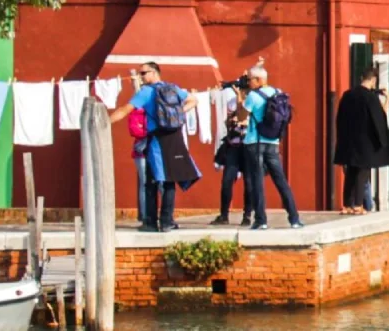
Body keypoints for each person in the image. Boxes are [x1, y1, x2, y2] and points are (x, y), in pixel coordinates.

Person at [107, 62, 203, 232]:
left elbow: (125, 110)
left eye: (143, 73)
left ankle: (151, 222)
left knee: (152, 182)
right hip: (174, 137)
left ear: (154, 73)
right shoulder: (173, 88)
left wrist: (105, 122)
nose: (141, 77)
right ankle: (167, 221)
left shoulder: (146, 92)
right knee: (169, 180)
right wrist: (178, 115)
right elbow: (193, 100)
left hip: (157, 139)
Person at [242, 67, 304, 229]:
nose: (248, 83)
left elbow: (242, 116)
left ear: (258, 80)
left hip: (255, 142)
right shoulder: (278, 92)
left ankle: (261, 220)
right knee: (281, 180)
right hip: (273, 142)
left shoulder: (252, 96)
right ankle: (294, 219)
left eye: (250, 80)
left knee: (257, 181)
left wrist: (241, 99)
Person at [333, 70, 389, 215]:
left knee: (351, 171)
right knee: (362, 171)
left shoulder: (347, 95)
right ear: (373, 81)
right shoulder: (370, 97)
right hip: (365, 142)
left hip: (348, 140)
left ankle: (347, 205)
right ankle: (358, 205)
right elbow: (379, 118)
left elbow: (339, 118)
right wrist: (387, 100)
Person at [210, 78, 257, 226]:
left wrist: (242, 117)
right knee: (227, 181)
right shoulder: (232, 102)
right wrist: (233, 120)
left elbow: (248, 119)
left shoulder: (254, 101)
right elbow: (229, 122)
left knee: (249, 182)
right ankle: (224, 214)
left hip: (249, 146)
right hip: (234, 146)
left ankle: (247, 215)